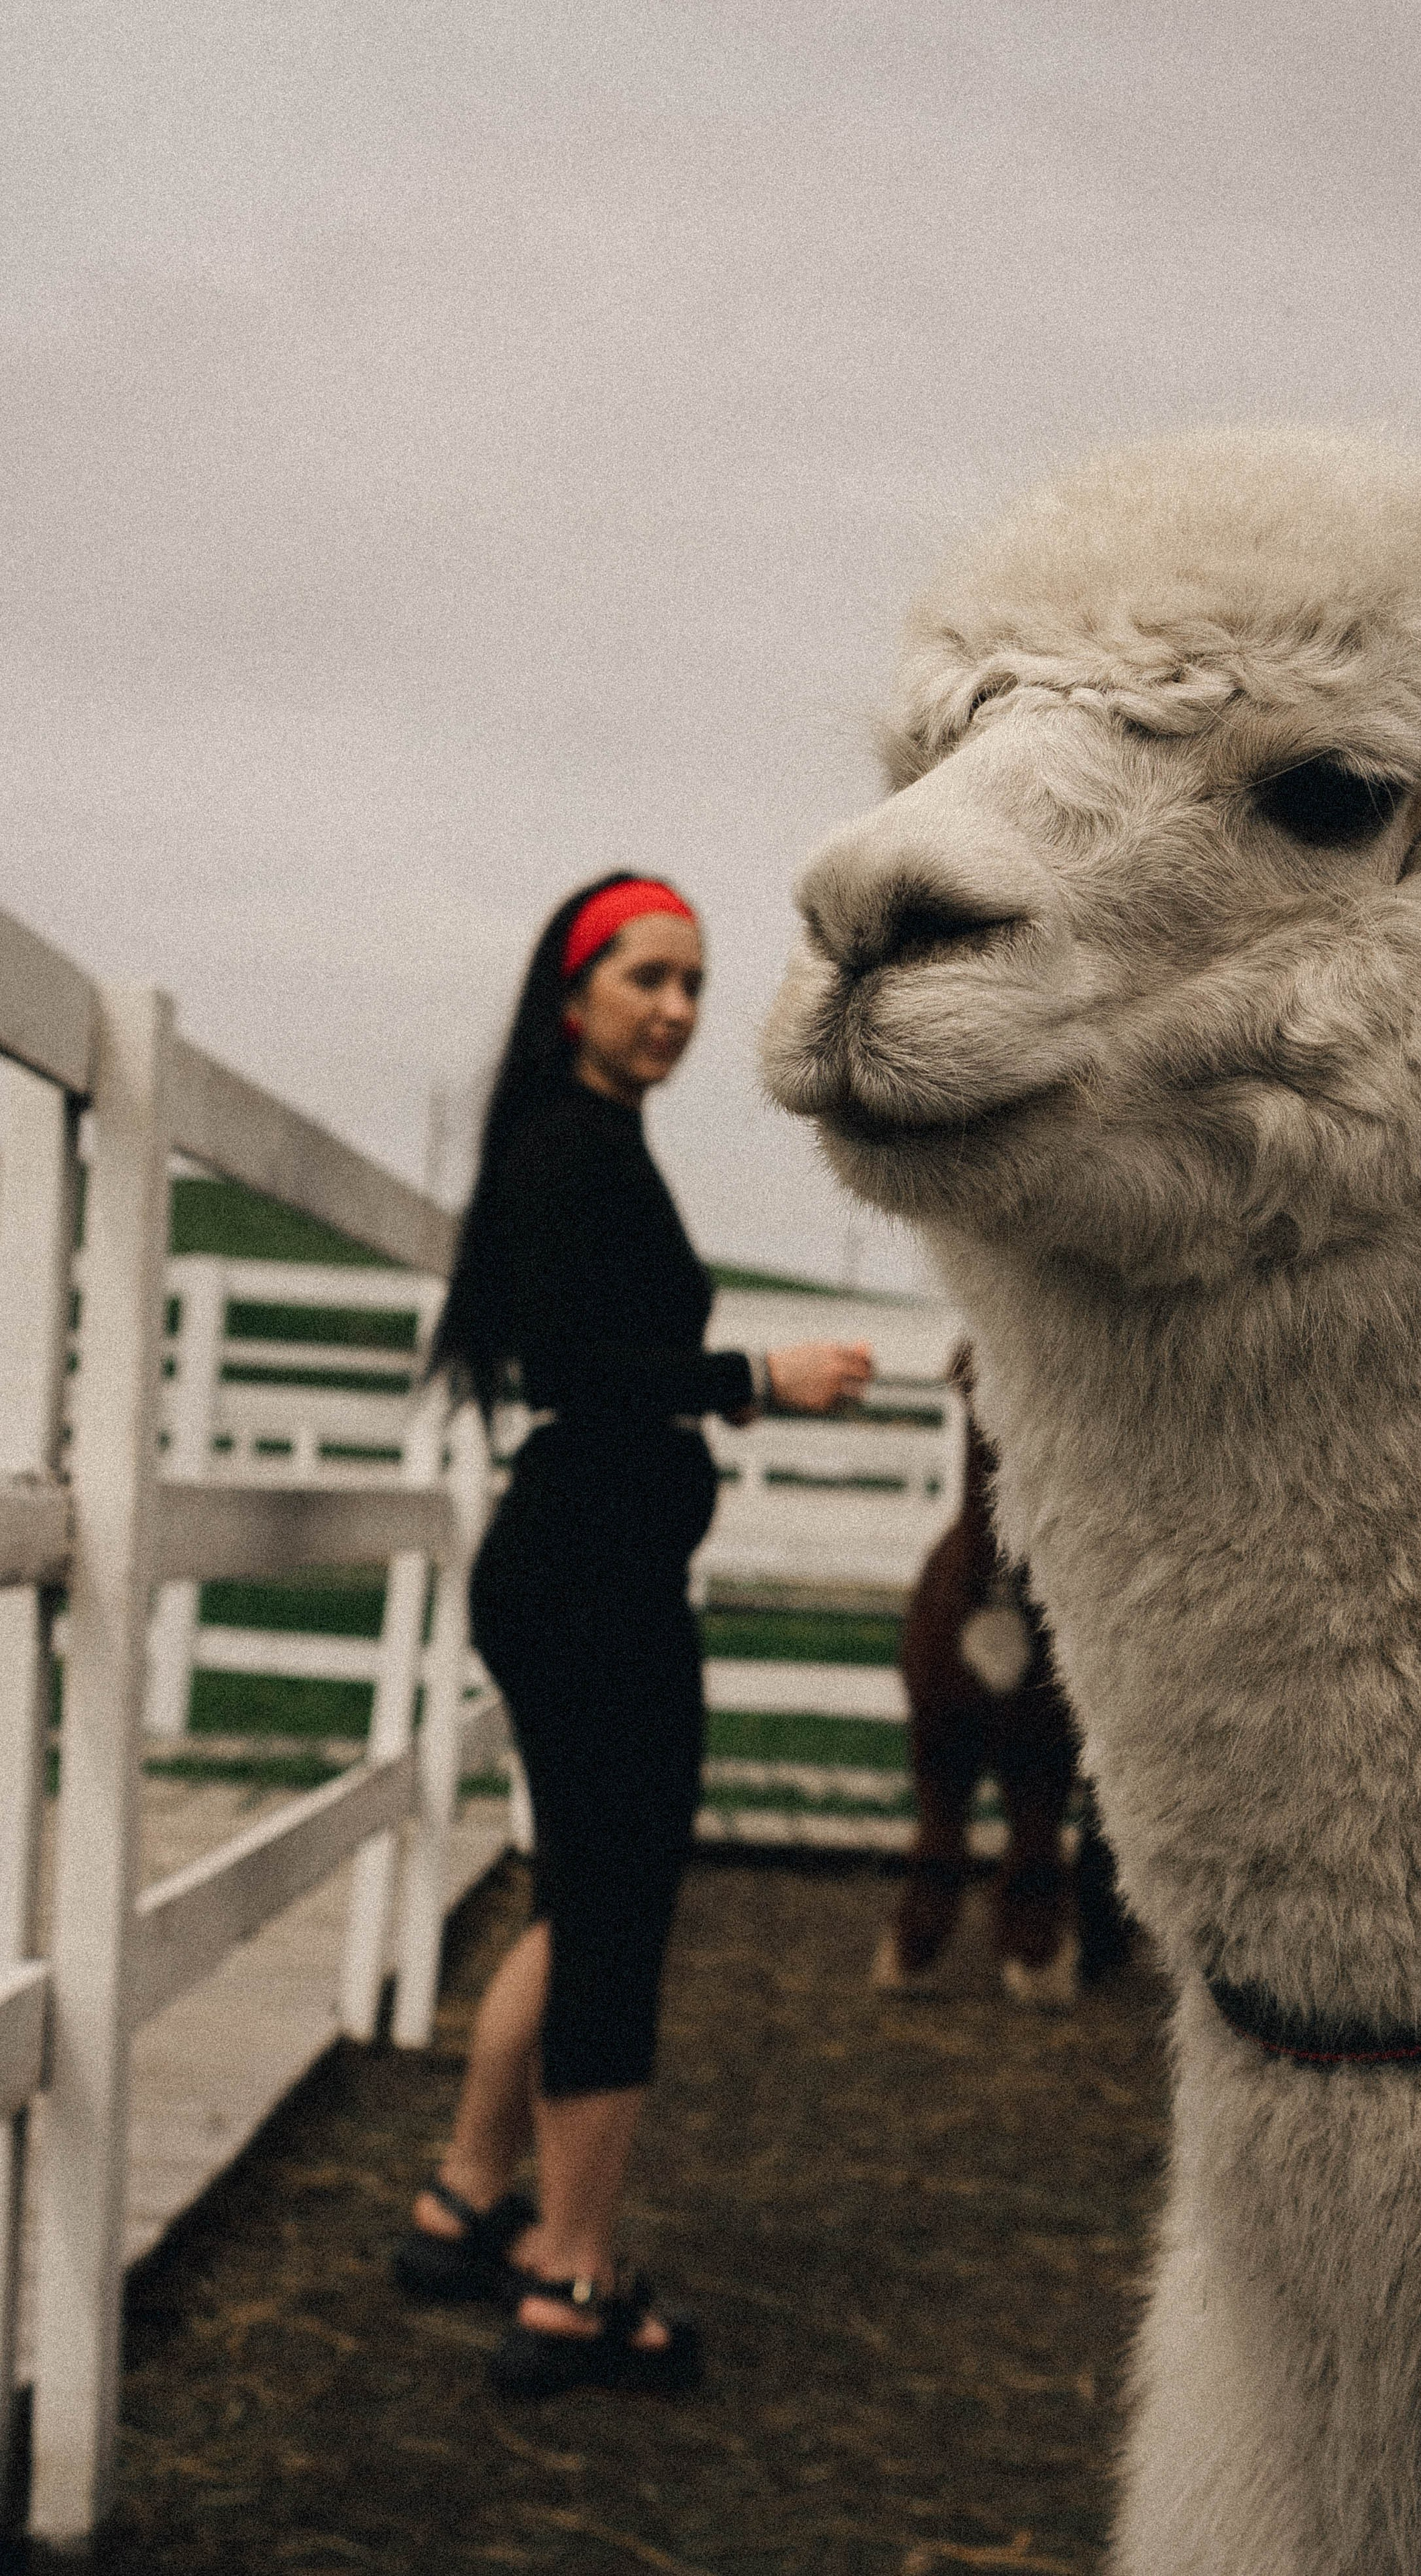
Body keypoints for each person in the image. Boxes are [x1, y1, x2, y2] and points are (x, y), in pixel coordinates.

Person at [394, 873, 871, 2396]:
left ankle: (467, 2200)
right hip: (589, 1586)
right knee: (615, 1917)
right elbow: (580, 1368)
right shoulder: (567, 1154)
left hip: (584, 1576)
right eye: (645, 979)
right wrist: (753, 1379)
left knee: (579, 1890)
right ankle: (575, 2278)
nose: (673, 1009)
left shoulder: (588, 1145)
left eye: (690, 985)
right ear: (573, 993)